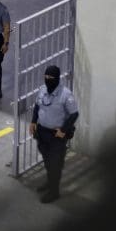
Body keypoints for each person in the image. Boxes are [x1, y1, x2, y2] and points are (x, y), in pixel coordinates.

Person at [29, 65, 79, 203]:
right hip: (42, 132)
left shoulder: (65, 94)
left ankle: (54, 192)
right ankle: (50, 183)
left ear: (57, 78)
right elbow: (37, 105)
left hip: (56, 135)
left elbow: (74, 114)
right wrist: (33, 122)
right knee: (47, 160)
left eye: (50, 78)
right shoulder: (43, 89)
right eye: (46, 77)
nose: (47, 80)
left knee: (55, 163)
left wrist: (63, 130)